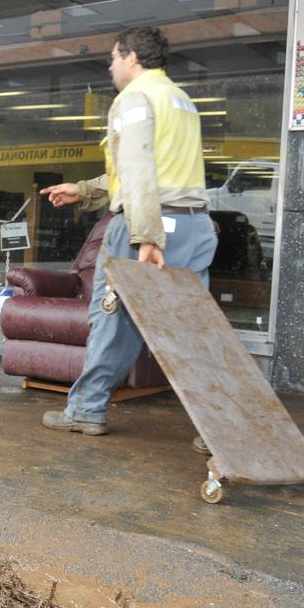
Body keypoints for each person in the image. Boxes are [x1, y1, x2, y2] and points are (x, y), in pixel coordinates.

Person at [38, 27, 217, 436]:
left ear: (133, 57)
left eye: (114, 57)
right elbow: (151, 169)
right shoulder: (181, 100)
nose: (111, 65)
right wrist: (83, 190)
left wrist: (146, 236)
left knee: (112, 319)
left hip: (148, 226)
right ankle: (217, 429)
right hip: (195, 226)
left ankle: (86, 410)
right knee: (193, 330)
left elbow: (137, 170)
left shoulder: (133, 98)